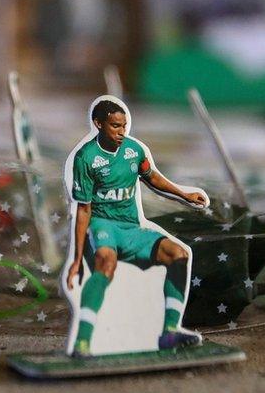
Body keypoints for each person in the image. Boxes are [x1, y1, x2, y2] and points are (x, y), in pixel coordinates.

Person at [65, 98, 209, 356]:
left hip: (131, 227)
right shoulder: (86, 158)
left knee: (179, 254)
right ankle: (82, 341)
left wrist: (184, 194)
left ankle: (169, 332)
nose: (122, 132)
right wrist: (76, 260)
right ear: (98, 124)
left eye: (124, 125)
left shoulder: (134, 150)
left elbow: (151, 177)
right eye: (115, 126)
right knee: (106, 262)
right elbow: (83, 208)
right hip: (102, 225)